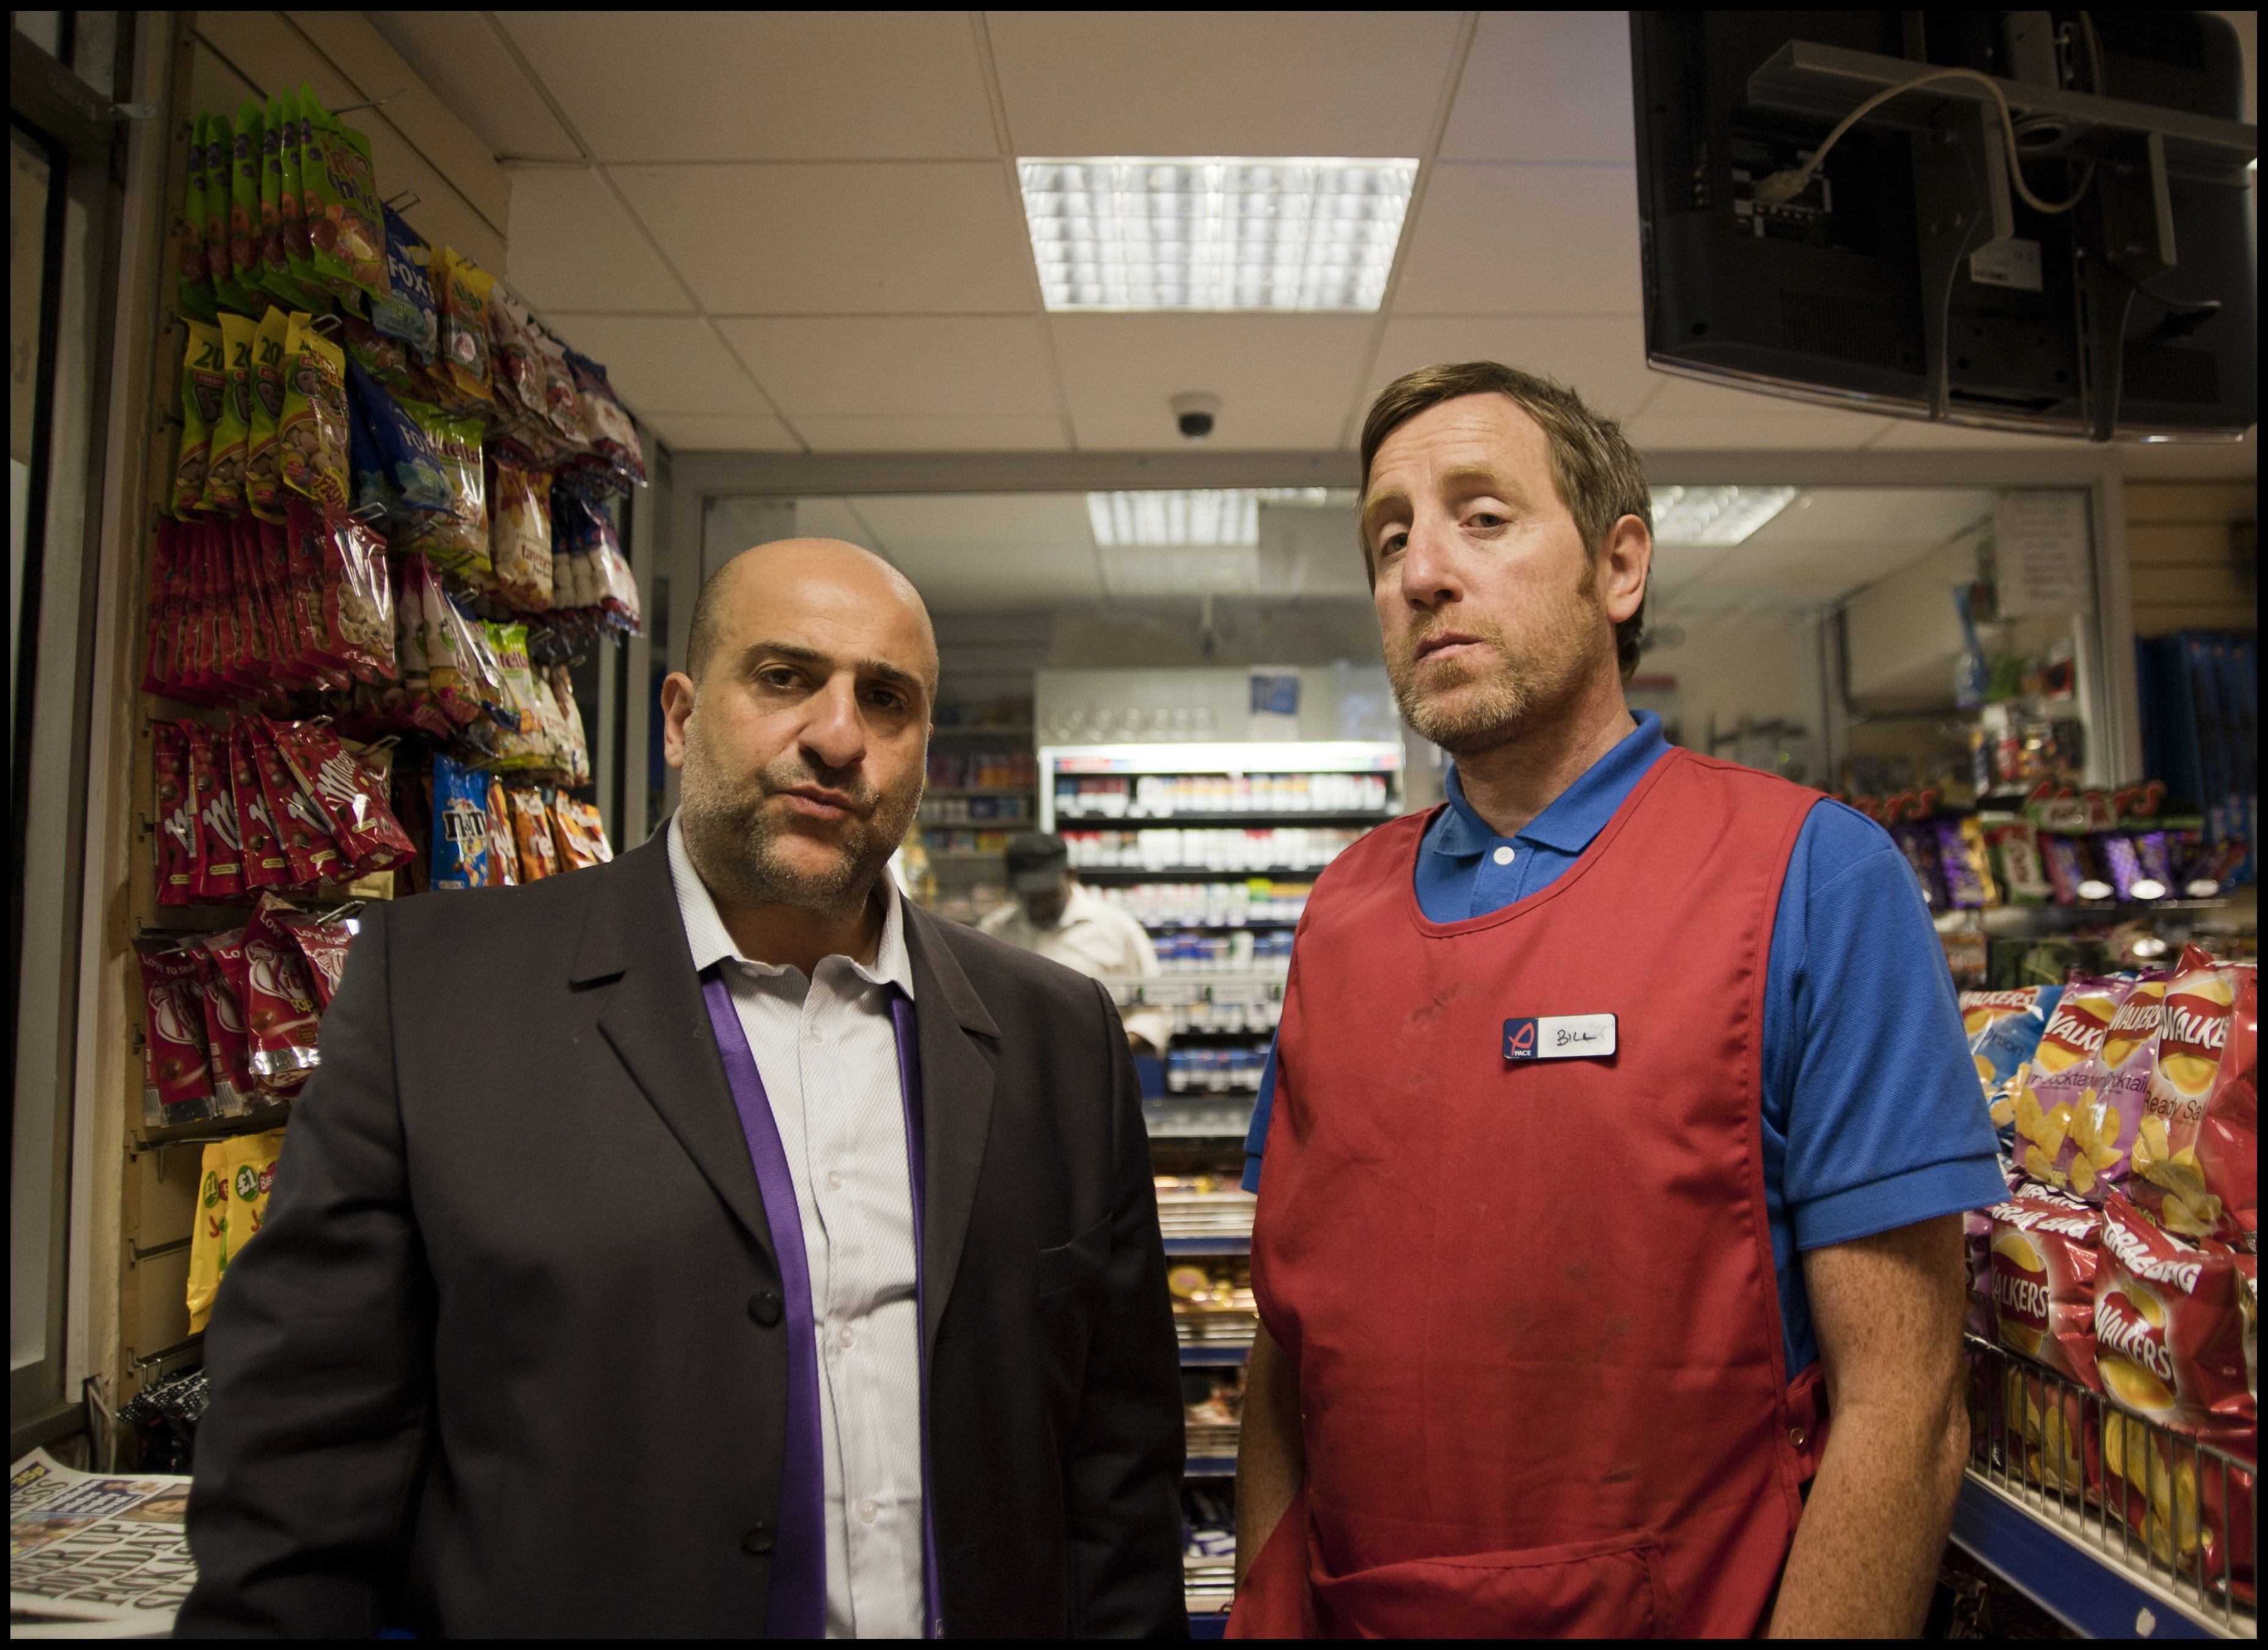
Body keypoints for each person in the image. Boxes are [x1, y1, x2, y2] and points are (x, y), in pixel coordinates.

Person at [178, 539, 1186, 1638]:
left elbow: (1118, 1477)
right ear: (677, 717)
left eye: (885, 700)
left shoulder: (1057, 1038)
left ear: (921, 751)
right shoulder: (438, 997)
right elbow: (305, 1469)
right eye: (784, 677)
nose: (837, 736)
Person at [1228, 364, 2001, 1638]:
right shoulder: (1341, 916)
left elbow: (1902, 1409)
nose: (1422, 571)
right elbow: (1288, 1352)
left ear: (1619, 567)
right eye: (1389, 536)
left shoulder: (1810, 875)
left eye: (1482, 517)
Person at [979, 832, 1170, 1055]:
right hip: (1016, 1065)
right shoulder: (993, 932)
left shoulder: (1118, 930)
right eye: (1028, 895)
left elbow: (1154, 1010)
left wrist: (1112, 1051)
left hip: (1097, 1065)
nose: (1037, 906)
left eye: (1046, 894)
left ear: (1071, 875)